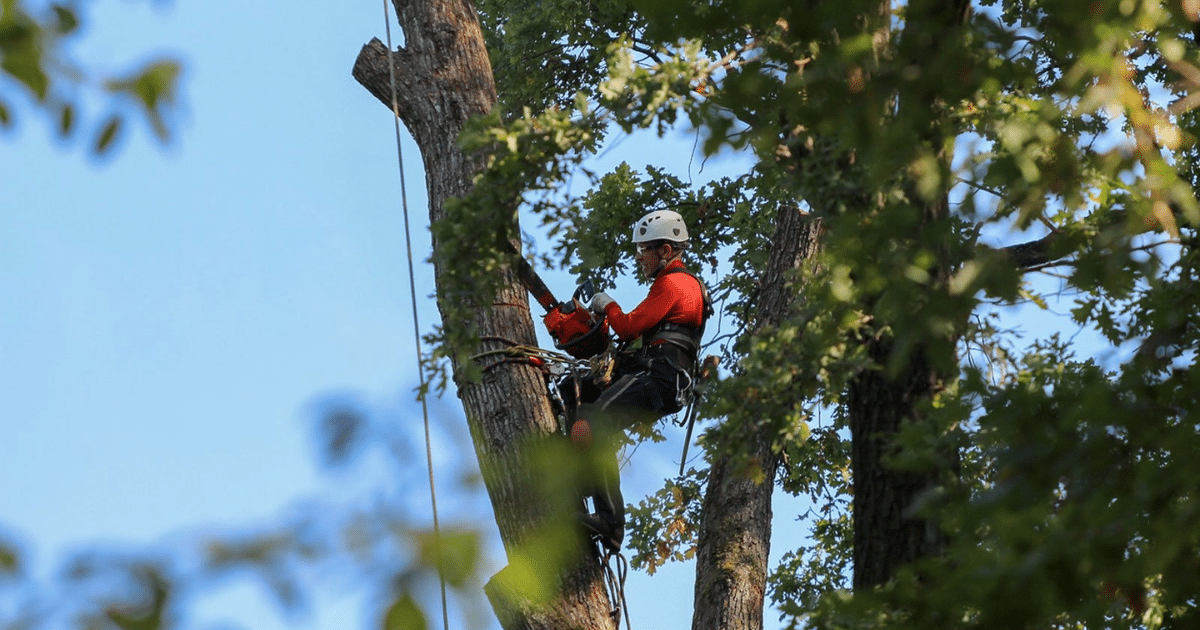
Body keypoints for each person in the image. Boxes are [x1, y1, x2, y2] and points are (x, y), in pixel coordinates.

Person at [566, 209, 710, 552]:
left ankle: (610, 522)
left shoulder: (676, 283)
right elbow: (638, 337)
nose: (639, 257)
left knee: (594, 422)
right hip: (654, 370)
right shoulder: (672, 284)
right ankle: (579, 475)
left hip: (662, 376)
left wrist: (608, 305)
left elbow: (629, 327)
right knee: (576, 393)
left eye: (644, 249)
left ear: (665, 250)